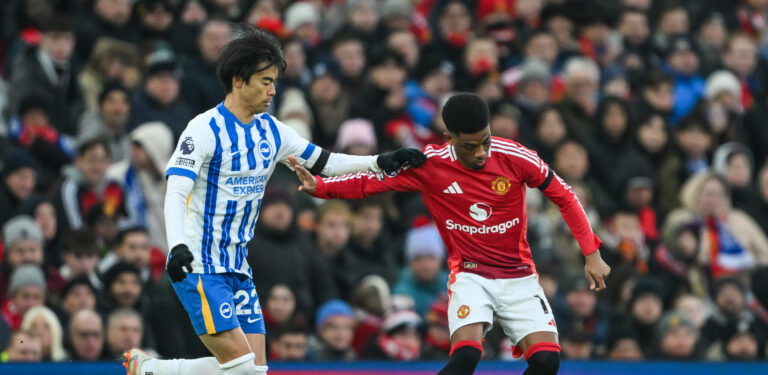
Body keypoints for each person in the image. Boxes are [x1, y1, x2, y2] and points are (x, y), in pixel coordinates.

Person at [123, 27, 425, 375]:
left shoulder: (273, 131)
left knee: (254, 370)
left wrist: (378, 162)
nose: (273, 90)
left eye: (275, 80)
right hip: (199, 265)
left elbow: (325, 162)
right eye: (265, 81)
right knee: (242, 369)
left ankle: (151, 370)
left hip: (238, 266)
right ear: (239, 80)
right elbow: (175, 191)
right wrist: (177, 246)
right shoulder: (202, 130)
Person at [291, 93, 610, 375]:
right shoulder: (430, 165)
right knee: (467, 357)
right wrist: (319, 187)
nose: (482, 152)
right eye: (470, 146)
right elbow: (369, 183)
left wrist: (591, 252)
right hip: (471, 275)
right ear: (450, 138)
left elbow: (564, 196)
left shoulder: (515, 157)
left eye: (485, 140)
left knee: (547, 363)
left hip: (519, 274)